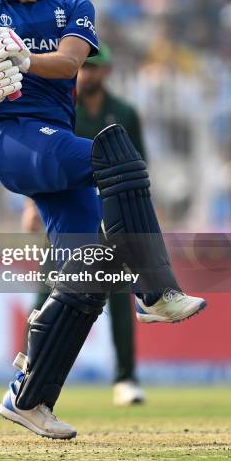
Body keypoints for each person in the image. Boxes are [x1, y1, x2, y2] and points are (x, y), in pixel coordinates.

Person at [0, 0, 206, 440]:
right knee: (114, 154)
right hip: (14, 139)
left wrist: (22, 59)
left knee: (92, 273)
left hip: (53, 136)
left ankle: (29, 399)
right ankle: (158, 292)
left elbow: (71, 62)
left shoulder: (74, 8)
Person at [22, 43, 147, 407]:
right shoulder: (65, 108)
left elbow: (138, 166)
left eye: (93, 69)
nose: (86, 74)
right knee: (48, 292)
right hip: (70, 212)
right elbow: (45, 159)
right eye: (83, 69)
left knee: (120, 297)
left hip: (115, 216)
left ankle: (125, 379)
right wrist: (34, 203)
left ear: (105, 72)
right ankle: (28, 371)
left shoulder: (124, 112)